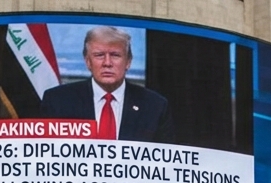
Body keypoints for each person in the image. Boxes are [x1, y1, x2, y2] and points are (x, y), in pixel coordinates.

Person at [38, 26, 174, 143]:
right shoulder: (57, 100)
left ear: (128, 62)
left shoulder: (155, 106)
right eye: (99, 55)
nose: (107, 63)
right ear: (87, 62)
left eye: (115, 55)